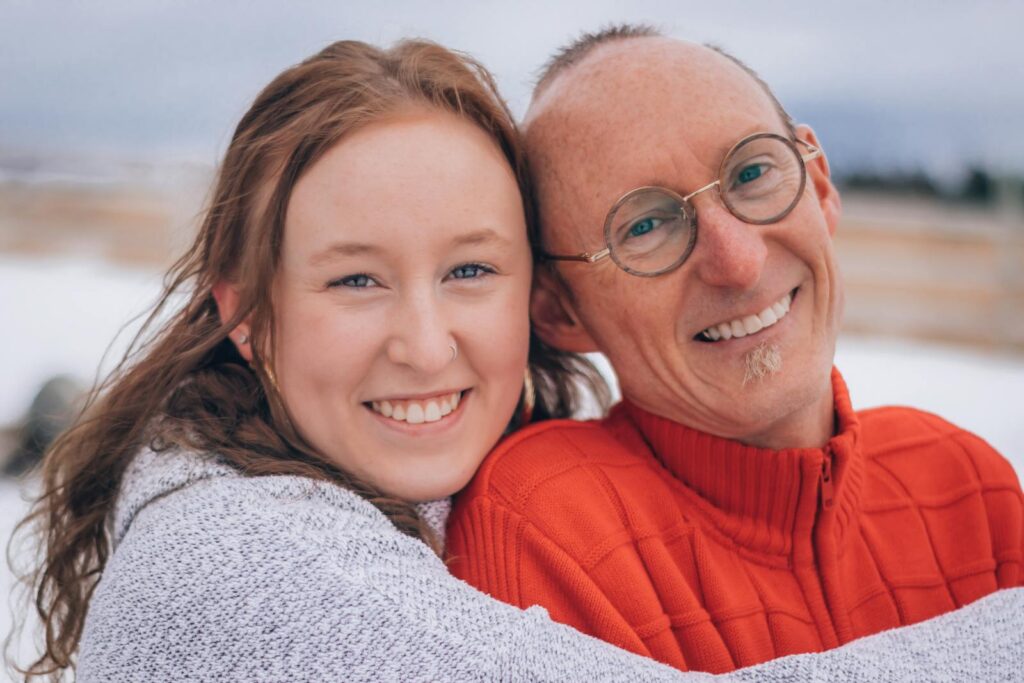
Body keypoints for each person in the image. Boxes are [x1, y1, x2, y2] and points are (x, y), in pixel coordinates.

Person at [9, 35, 1021, 683]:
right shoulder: (235, 561)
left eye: (468, 269)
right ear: (244, 311)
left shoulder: (964, 476)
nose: (423, 341)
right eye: (354, 279)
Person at [447, 26, 1024, 674]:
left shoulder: (971, 486)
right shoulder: (548, 528)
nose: (739, 261)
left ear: (821, 184)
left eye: (752, 172)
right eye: (646, 225)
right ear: (558, 308)